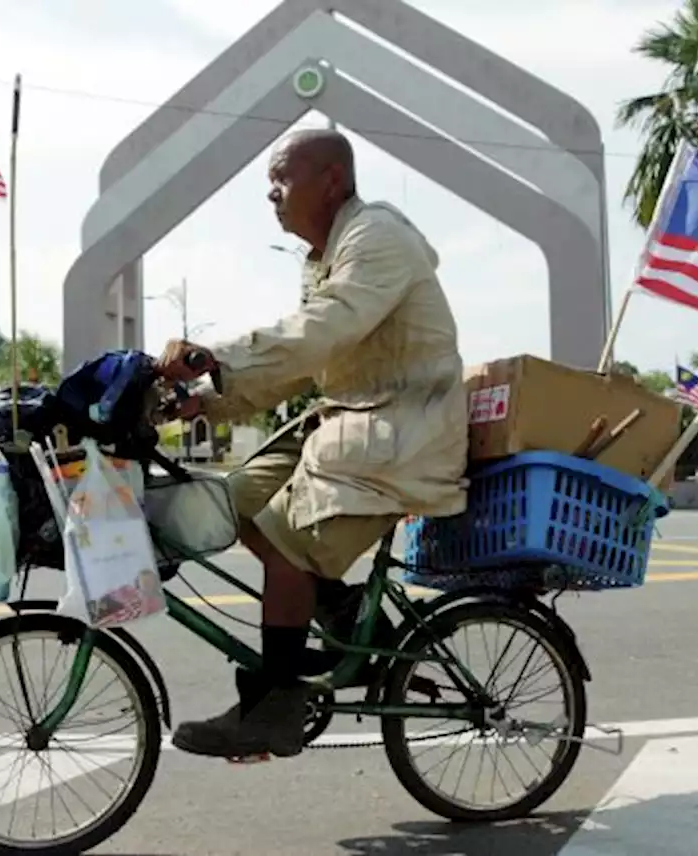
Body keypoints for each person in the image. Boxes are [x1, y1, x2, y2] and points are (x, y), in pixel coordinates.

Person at [156, 128, 469, 761]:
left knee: (287, 548)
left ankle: (275, 706)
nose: (271, 194)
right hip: (348, 420)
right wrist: (207, 402)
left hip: (402, 428)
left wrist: (216, 355)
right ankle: (353, 621)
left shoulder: (377, 237)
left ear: (332, 180)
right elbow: (304, 364)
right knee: (230, 505)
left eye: (283, 179)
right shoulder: (321, 257)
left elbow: (322, 330)